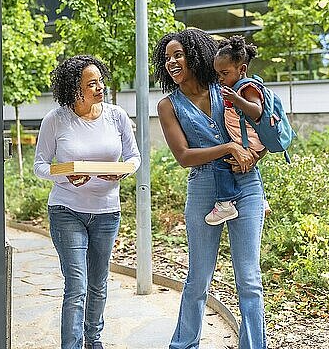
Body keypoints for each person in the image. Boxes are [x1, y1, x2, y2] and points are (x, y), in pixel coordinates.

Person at [152, 28, 268, 349]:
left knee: (249, 280)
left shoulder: (225, 86)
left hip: (245, 184)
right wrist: (229, 147)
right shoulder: (168, 106)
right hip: (204, 187)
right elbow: (184, 156)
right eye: (168, 58)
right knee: (199, 278)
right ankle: (184, 344)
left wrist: (253, 157)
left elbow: (266, 126)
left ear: (195, 54)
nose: (173, 61)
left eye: (179, 54)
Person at [33, 55, 141, 349]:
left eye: (100, 81)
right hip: (67, 211)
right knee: (77, 285)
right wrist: (65, 177)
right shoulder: (56, 119)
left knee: (98, 283)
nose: (100, 87)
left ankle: (94, 342)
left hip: (107, 213)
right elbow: (40, 164)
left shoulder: (116, 116)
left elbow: (134, 157)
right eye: (91, 84)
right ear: (73, 88)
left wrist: (121, 173)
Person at [207, 35, 271, 226]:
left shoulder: (247, 87)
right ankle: (262, 200)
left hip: (249, 140)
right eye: (217, 73)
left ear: (241, 69)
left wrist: (236, 100)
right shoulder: (234, 87)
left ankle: (225, 203)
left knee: (220, 161)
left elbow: (257, 110)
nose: (220, 78)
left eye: (224, 73)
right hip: (245, 140)